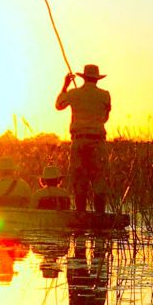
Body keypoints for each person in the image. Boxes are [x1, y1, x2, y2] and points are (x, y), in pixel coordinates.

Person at [54, 63, 111, 215]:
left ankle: (80, 216)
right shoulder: (105, 95)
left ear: (84, 78)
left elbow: (58, 105)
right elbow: (105, 118)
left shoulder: (74, 93)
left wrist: (65, 85)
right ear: (97, 79)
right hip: (98, 142)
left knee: (79, 180)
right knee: (99, 180)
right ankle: (100, 217)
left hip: (79, 141)